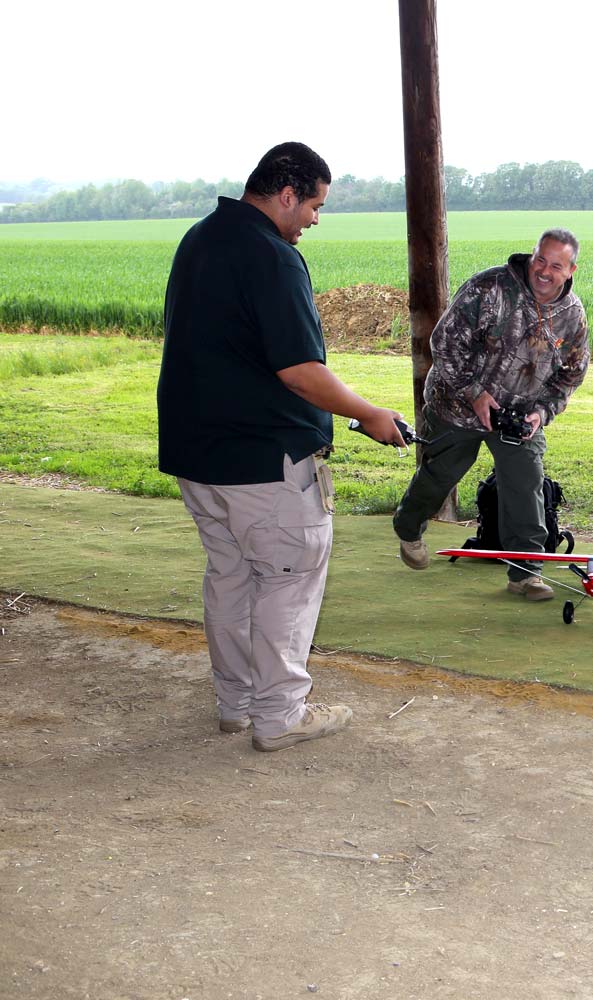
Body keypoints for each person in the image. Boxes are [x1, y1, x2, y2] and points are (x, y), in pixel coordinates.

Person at [159, 142, 407, 752]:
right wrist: (371, 414)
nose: (315, 220)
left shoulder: (201, 237)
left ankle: (236, 704)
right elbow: (299, 370)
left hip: (199, 455)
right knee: (287, 582)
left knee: (230, 578)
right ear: (288, 193)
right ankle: (281, 715)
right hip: (264, 462)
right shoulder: (271, 255)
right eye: (315, 205)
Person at [392, 230, 589, 602]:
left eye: (556, 265)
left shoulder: (572, 315)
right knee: (440, 475)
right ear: (532, 257)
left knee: (526, 486)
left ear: (571, 270)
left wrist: (541, 412)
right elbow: (444, 343)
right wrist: (474, 393)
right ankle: (408, 526)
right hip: (457, 406)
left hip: (517, 418)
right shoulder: (490, 287)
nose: (544, 271)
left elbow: (572, 374)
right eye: (540, 260)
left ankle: (526, 573)